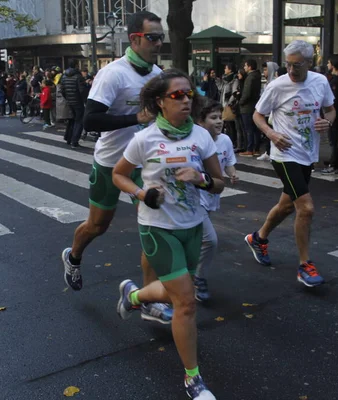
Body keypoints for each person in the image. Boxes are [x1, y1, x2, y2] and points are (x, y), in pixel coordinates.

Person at [112, 68, 224, 400]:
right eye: (177, 95)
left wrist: (201, 178)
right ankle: (193, 379)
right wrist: (141, 194)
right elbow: (120, 175)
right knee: (186, 303)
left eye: (189, 94)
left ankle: (133, 296)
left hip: (192, 226)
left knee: (178, 295)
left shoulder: (202, 137)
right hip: (157, 227)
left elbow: (219, 184)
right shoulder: (144, 139)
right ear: (161, 102)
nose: (186, 100)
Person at [61, 11, 172, 323]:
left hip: (145, 164)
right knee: (98, 226)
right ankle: (73, 256)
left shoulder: (157, 74)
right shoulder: (114, 74)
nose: (158, 43)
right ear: (135, 38)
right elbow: (90, 119)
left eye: (161, 37)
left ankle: (150, 300)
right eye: (153, 37)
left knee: (154, 229)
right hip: (111, 163)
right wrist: (135, 118)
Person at [244, 40, 336, 287]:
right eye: (288, 64)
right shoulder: (277, 86)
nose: (291, 70)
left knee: (286, 206)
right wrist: (271, 134)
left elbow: (330, 109)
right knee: (305, 208)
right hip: (284, 154)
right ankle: (305, 265)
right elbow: (257, 114)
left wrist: (328, 122)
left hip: (307, 153)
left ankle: (258, 238)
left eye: (297, 65)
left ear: (309, 62)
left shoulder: (320, 82)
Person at [193, 98, 238, 301]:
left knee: (197, 239)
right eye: (213, 118)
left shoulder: (225, 140)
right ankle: (198, 278)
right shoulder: (193, 141)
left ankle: (185, 272)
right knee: (210, 240)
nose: (219, 121)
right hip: (195, 198)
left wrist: (232, 173)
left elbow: (228, 162)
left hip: (212, 195)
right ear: (200, 122)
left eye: (220, 117)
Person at [60, 59, 88, 148]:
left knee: (71, 119)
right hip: (78, 101)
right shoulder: (78, 76)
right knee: (79, 120)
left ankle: (68, 138)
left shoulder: (64, 76)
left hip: (69, 101)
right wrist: (84, 100)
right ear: (76, 65)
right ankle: (74, 141)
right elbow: (82, 90)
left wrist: (67, 98)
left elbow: (62, 90)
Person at [238, 60, 262, 156]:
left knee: (248, 129)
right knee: (255, 129)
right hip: (254, 105)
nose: (244, 68)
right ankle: (256, 149)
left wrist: (240, 102)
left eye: (245, 66)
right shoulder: (257, 76)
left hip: (247, 107)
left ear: (250, 67)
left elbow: (246, 93)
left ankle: (249, 149)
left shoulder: (250, 77)